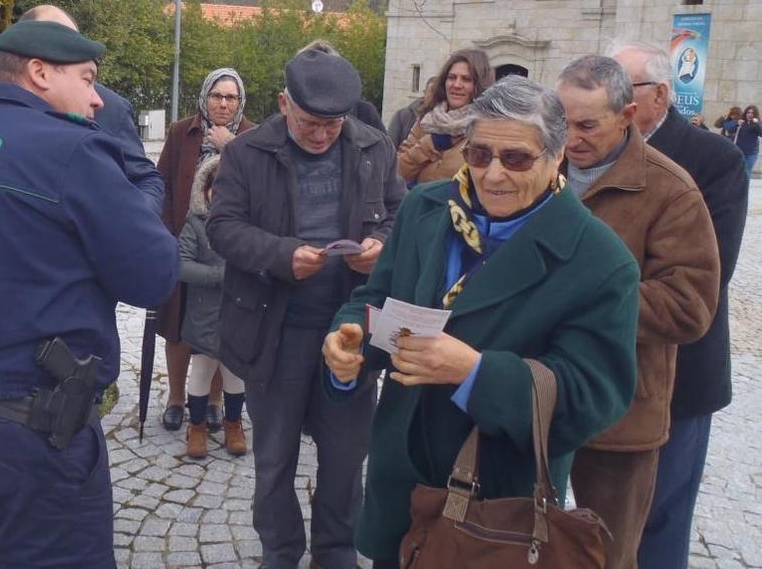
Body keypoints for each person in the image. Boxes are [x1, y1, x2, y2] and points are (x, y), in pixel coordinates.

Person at [0, 20, 179, 568]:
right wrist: (136, 202)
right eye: (88, 79)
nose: (96, 100)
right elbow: (155, 275)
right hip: (36, 431)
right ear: (39, 72)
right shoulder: (73, 153)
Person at [320, 75, 640, 568]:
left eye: (515, 159)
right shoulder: (425, 210)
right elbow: (377, 297)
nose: (493, 175)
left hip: (496, 509)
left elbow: (591, 399)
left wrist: (472, 372)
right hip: (402, 482)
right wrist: (351, 341)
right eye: (479, 154)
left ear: (557, 157)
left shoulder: (599, 260)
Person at [207, 44, 405, 569]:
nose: (321, 135)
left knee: (345, 460)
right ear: (283, 104)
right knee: (273, 461)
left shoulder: (372, 146)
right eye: (310, 124)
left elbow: (399, 213)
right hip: (275, 331)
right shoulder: (248, 152)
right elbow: (222, 228)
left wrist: (380, 247)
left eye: (332, 125)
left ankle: (336, 554)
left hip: (350, 332)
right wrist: (280, 256)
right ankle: (281, 551)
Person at [556, 54, 720, 569]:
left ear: (627, 115)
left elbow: (689, 307)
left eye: (586, 125)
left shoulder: (671, 190)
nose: (570, 137)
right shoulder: (539, 168)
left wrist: (579, 300)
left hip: (620, 410)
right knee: (517, 539)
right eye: (560, 122)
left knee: (608, 556)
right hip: (536, 395)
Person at [612, 43, 748, 569]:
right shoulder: (591, 150)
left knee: (661, 515)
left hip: (679, 370)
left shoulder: (715, 159)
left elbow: (710, 273)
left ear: (660, 94)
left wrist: (592, 292)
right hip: (602, 362)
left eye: (623, 91)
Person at [157, 68, 254, 431]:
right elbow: (163, 182)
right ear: (204, 97)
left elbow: (261, 183)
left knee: (220, 326)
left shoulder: (251, 137)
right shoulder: (182, 132)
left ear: (239, 101)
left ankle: (214, 401)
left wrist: (231, 145)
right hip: (184, 244)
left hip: (227, 248)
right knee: (177, 323)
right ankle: (177, 398)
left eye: (230, 97)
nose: (223, 103)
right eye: (217, 96)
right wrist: (167, 231)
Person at [19, 4, 163, 212]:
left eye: (70, 39)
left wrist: (127, 224)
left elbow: (146, 180)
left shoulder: (109, 107)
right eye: (52, 37)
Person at [178, 154, 247, 459]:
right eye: (215, 189)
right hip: (204, 313)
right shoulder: (194, 224)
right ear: (204, 190)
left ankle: (234, 423)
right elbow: (181, 266)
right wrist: (221, 276)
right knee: (201, 372)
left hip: (238, 313)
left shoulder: (247, 225)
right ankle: (196, 426)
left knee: (235, 375)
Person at [397, 49, 494, 185]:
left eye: (466, 79)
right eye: (452, 77)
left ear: (479, 85)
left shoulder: (487, 128)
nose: (456, 85)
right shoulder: (428, 119)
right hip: (421, 204)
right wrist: (429, 145)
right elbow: (397, 172)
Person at [733, 103, 760, 177]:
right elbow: (730, 130)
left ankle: (744, 188)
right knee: (738, 171)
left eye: (752, 113)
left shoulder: (757, 124)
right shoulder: (741, 122)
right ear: (746, 113)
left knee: (747, 171)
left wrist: (758, 123)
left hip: (751, 153)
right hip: (740, 150)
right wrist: (737, 124)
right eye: (748, 112)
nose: (750, 114)